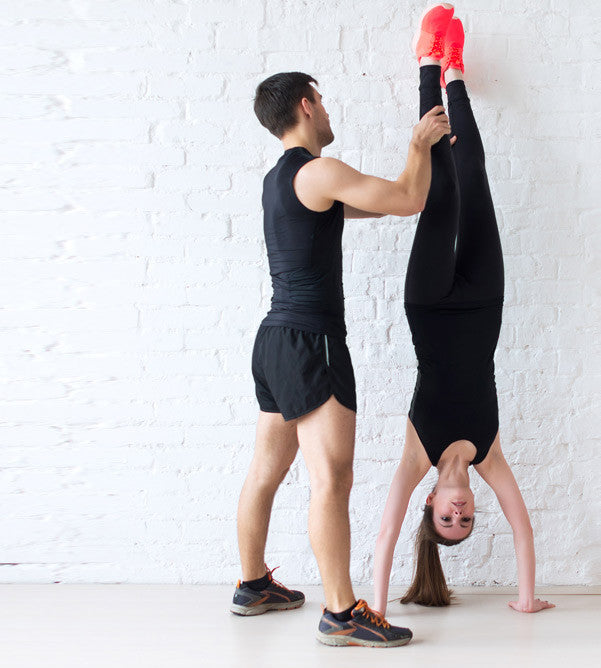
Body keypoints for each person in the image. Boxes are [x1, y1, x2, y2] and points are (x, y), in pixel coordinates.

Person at [231, 60, 451, 647]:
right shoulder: (320, 171)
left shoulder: (282, 181)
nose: (328, 111)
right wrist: (417, 143)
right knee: (332, 477)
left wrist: (412, 187)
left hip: (274, 341)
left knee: (266, 473)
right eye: (322, 102)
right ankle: (339, 613)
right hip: (312, 342)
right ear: (306, 104)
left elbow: (387, 204)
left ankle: (252, 585)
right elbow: (407, 198)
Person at [372, 5, 556, 617]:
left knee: (441, 188)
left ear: (431, 505)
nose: (459, 512)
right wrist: (525, 601)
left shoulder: (415, 456)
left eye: (447, 520)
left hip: (428, 304)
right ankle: (452, 72)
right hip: (484, 300)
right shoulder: (490, 452)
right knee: (473, 173)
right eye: (467, 518)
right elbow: (524, 527)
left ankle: (428, 60)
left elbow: (385, 535)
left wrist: (374, 608)